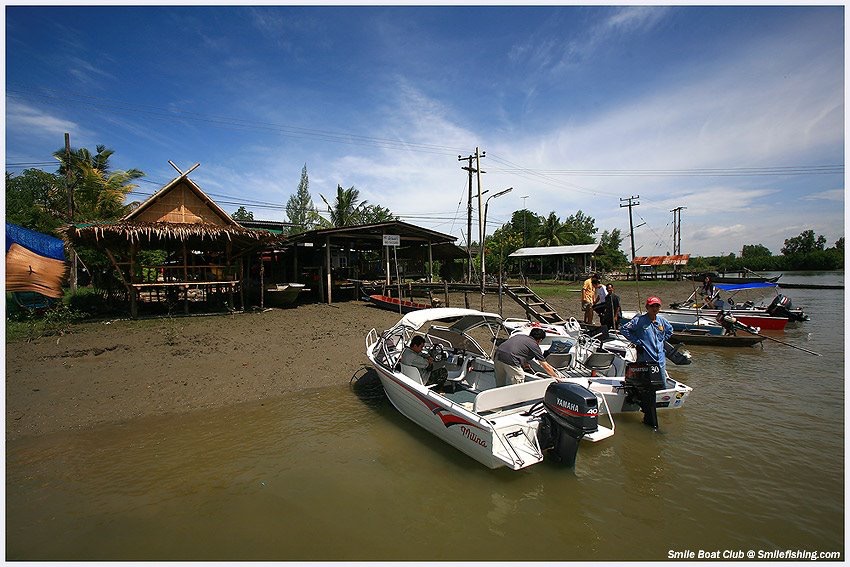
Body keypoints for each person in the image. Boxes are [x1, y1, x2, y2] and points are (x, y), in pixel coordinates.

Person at [619, 296, 674, 388]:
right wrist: (637, 341)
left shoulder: (662, 321)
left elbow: (670, 330)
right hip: (645, 357)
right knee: (644, 383)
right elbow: (624, 329)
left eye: (657, 306)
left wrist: (662, 339)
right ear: (647, 307)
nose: (655, 309)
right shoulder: (639, 320)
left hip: (660, 359)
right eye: (652, 306)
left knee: (662, 382)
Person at [494, 328, 559, 386]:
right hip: (510, 358)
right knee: (519, 378)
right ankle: (517, 398)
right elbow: (545, 365)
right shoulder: (534, 345)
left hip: (498, 354)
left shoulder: (519, 336)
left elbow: (519, 351)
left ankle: (498, 392)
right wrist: (557, 377)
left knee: (500, 380)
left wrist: (524, 363)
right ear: (540, 340)